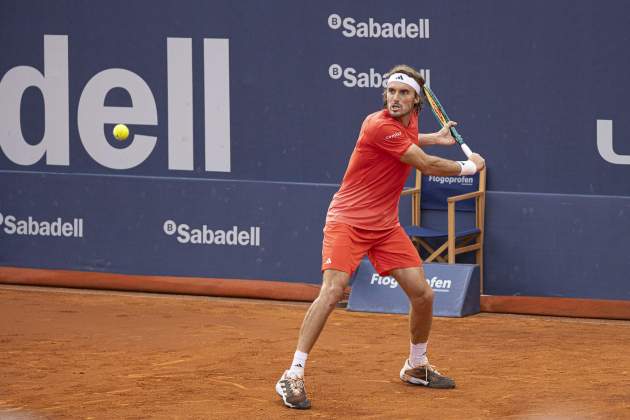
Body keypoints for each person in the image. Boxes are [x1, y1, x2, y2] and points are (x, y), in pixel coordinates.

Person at [275, 64, 486, 409]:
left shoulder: (410, 123)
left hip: (385, 226)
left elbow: (410, 140)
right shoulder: (377, 124)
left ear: (416, 103)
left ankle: (416, 365)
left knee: (423, 294)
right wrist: (469, 167)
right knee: (331, 292)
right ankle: (292, 374)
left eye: (403, 93)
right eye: (391, 91)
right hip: (348, 221)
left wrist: (436, 138)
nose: (395, 98)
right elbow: (426, 165)